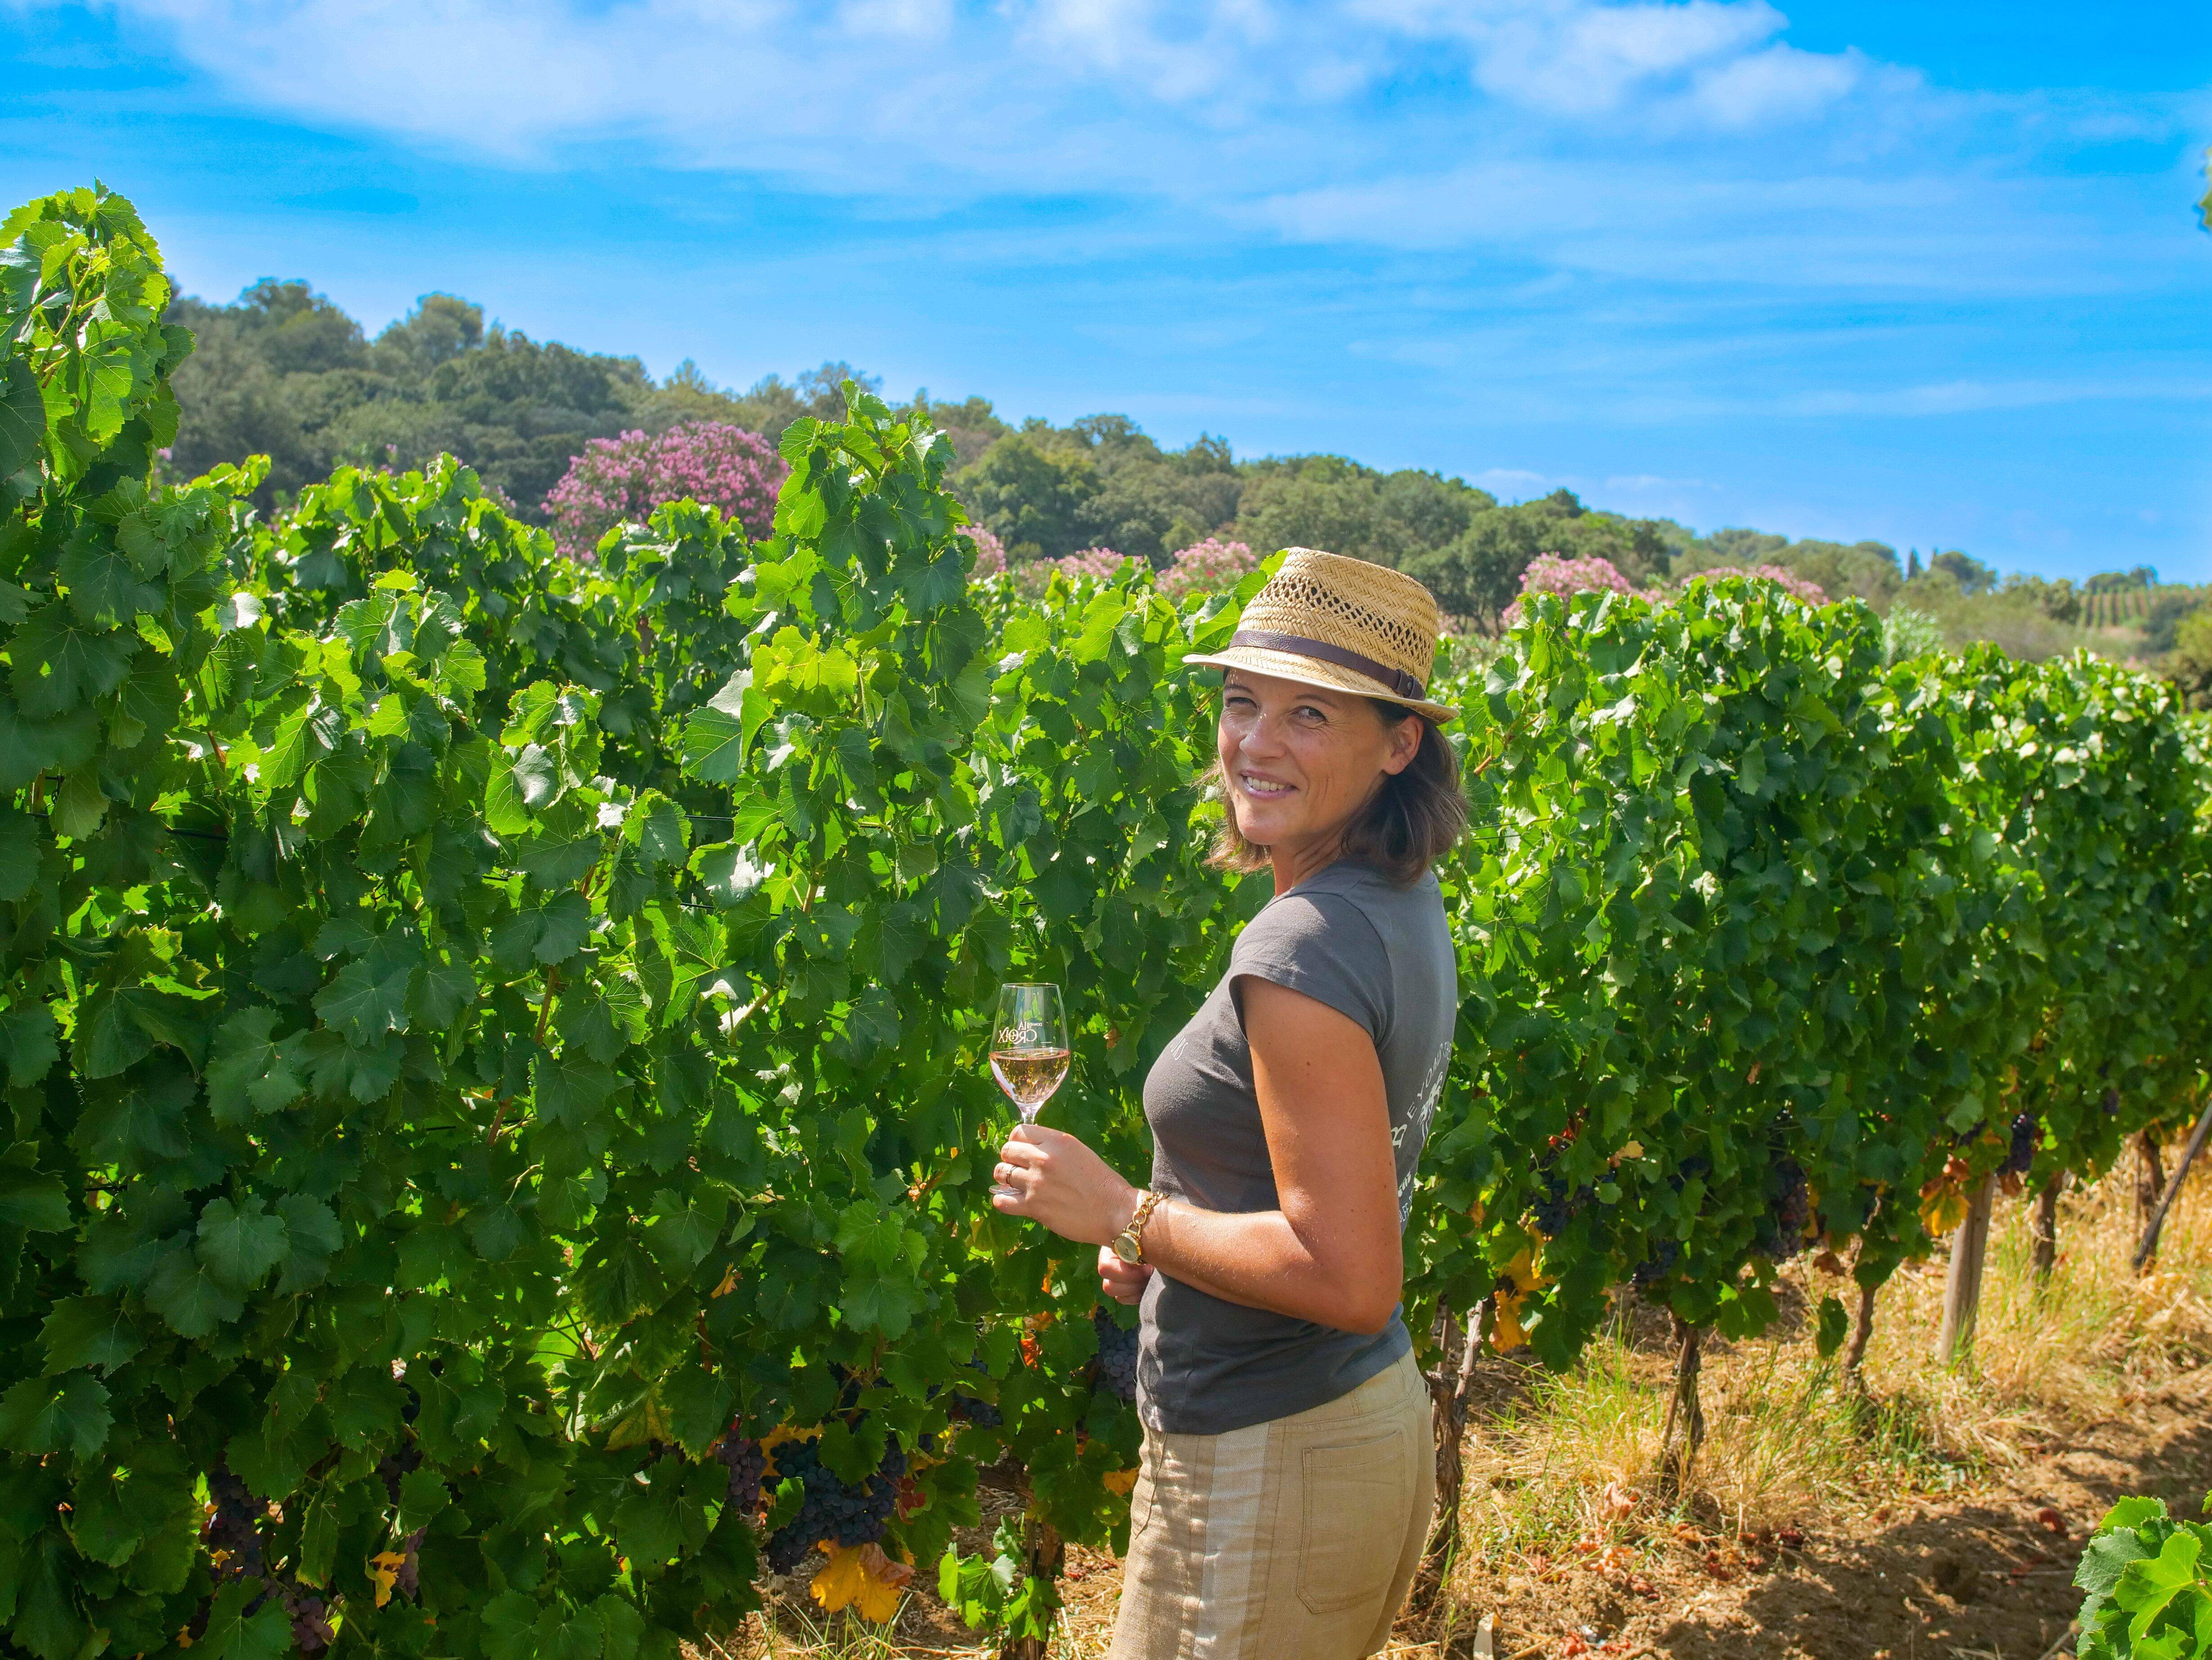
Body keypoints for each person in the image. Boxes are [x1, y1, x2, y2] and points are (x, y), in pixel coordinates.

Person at [991, 548, 1467, 1660]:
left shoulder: (1302, 940)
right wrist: (1183, 1240)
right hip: (1340, 1429)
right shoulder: (1391, 900)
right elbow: (1315, 1188)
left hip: (1270, 1454)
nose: (1255, 740)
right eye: (1241, 702)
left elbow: (1350, 1273)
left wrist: (1125, 1212)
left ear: (1400, 743)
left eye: (1309, 714)